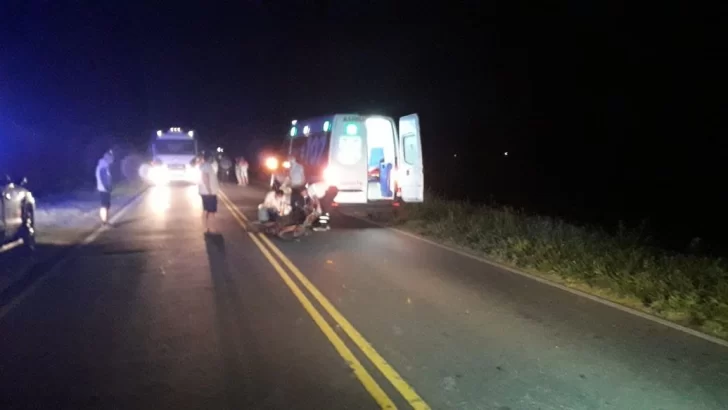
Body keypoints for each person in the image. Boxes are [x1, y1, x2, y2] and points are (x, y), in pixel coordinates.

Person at [198, 153, 220, 233]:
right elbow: (205, 177)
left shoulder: (204, 166)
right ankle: (211, 228)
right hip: (209, 193)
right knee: (211, 212)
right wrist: (209, 189)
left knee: (206, 210)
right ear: (209, 158)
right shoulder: (207, 166)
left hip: (205, 192)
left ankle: (205, 228)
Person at [95, 150, 114, 225]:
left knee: (106, 205)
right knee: (104, 205)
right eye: (111, 158)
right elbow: (104, 178)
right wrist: (108, 188)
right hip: (104, 189)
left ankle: (105, 221)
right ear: (108, 158)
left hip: (104, 188)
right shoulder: (103, 166)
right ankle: (104, 222)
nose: (112, 160)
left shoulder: (103, 165)